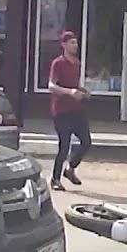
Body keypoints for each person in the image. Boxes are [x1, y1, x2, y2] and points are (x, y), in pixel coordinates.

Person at [48, 31, 92, 191]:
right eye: (72, 43)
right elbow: (51, 86)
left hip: (76, 109)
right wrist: (70, 92)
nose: (75, 45)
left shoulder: (77, 63)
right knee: (64, 145)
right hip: (61, 111)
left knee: (86, 142)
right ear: (64, 45)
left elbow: (74, 84)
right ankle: (55, 179)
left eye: (76, 42)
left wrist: (82, 91)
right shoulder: (57, 63)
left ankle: (70, 168)